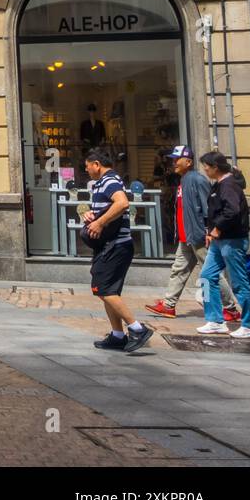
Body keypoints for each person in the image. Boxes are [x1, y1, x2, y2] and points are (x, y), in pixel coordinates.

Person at [147, 146, 238, 321]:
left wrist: (208, 231)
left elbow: (209, 207)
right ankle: (168, 305)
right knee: (179, 269)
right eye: (173, 159)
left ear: (188, 162)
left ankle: (231, 308)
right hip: (186, 236)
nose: (173, 163)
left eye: (177, 159)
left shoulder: (196, 179)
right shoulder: (184, 179)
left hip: (198, 235)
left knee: (210, 273)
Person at [82, 148, 153, 353]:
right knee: (108, 291)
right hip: (111, 245)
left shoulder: (109, 180)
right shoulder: (103, 183)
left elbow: (122, 203)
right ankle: (117, 335)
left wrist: (100, 223)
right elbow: (109, 207)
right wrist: (91, 216)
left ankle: (137, 329)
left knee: (103, 289)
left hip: (116, 245)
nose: (87, 171)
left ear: (97, 164)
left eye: (87, 167)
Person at [195, 152, 250, 338]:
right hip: (219, 241)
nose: (204, 169)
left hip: (232, 240)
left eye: (206, 165)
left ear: (216, 167)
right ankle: (214, 320)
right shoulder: (219, 184)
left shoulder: (228, 185)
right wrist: (210, 231)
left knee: (239, 282)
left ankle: (249, 324)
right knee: (206, 276)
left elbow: (232, 211)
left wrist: (217, 229)